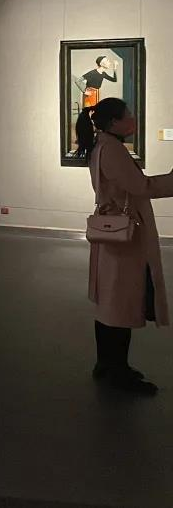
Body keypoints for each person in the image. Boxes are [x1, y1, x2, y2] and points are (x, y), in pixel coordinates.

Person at [76, 98, 173, 395]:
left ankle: (107, 365)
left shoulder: (102, 145)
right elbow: (140, 186)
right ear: (113, 122)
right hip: (124, 240)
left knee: (109, 304)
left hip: (113, 234)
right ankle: (118, 372)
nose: (133, 120)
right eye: (128, 115)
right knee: (121, 306)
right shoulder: (113, 149)